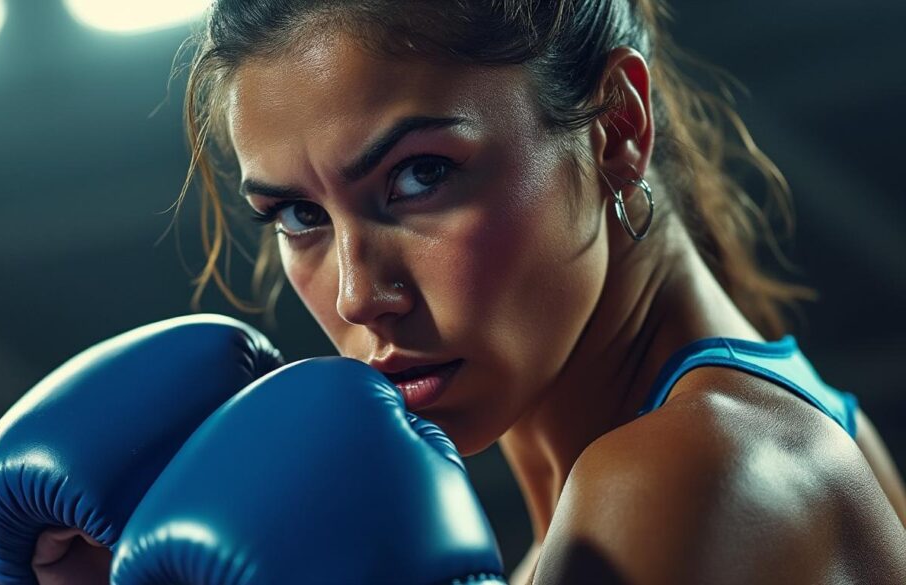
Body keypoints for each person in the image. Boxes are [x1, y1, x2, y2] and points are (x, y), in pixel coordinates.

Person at [171, 0, 906, 583]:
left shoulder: (689, 472)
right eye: (301, 216)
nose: (361, 295)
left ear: (618, 126)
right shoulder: (794, 431)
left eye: (420, 174)